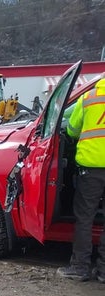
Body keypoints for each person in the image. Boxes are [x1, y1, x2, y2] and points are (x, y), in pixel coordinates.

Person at [57, 76, 105, 282]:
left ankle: (80, 267)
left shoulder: (88, 97)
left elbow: (72, 129)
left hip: (91, 169)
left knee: (85, 218)